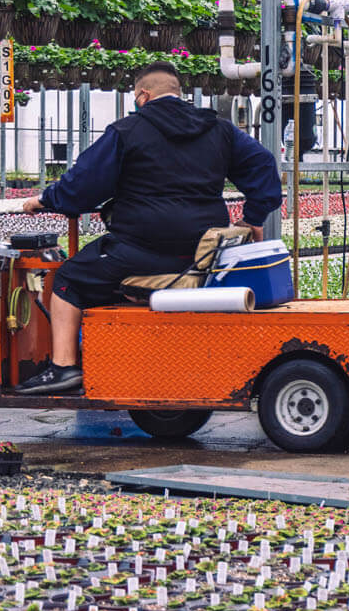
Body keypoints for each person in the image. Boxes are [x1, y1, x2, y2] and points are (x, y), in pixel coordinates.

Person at [15, 63, 283, 395]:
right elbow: (264, 165)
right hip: (202, 256)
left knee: (70, 279)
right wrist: (253, 217)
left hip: (139, 252)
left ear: (143, 95)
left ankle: (64, 367)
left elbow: (82, 187)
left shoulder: (127, 131)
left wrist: (47, 200)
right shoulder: (219, 129)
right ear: (178, 93)